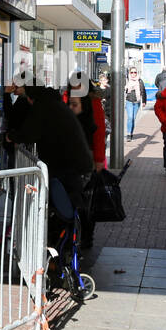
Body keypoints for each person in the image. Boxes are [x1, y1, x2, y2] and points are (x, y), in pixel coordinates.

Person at [6, 80, 95, 224]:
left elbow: (29, 133)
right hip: (75, 163)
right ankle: (73, 239)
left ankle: (69, 240)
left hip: (68, 166)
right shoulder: (54, 103)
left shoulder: (42, 106)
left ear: (30, 97)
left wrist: (11, 136)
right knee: (70, 208)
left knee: (64, 210)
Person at [65, 76, 106, 252]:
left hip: (86, 156)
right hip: (68, 155)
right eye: (74, 86)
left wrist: (98, 160)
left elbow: (99, 134)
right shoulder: (66, 100)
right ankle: (69, 236)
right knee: (70, 197)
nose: (77, 89)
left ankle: (87, 237)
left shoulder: (93, 103)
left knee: (86, 199)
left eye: (80, 86)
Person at [123, 66, 147, 139]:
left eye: (135, 72)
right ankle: (128, 134)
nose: (133, 74)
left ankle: (131, 132)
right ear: (129, 73)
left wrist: (144, 101)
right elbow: (123, 90)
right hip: (129, 101)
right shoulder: (127, 80)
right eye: (132, 72)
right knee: (130, 117)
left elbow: (143, 90)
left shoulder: (140, 81)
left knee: (133, 118)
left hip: (137, 101)